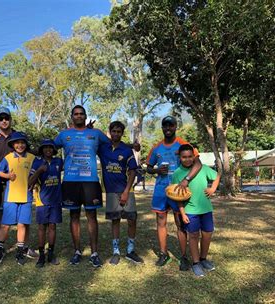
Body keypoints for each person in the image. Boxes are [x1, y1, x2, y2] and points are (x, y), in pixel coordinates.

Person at [54, 105, 111, 268]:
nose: (79, 116)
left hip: (90, 181)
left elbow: (113, 144)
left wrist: (130, 146)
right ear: (72, 116)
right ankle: (77, 252)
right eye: (76, 114)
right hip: (70, 181)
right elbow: (48, 149)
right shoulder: (64, 134)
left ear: (85, 116)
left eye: (81, 114)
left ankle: (94, 253)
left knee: (92, 216)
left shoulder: (96, 133)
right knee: (74, 217)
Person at [146, 115, 201, 268]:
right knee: (161, 222)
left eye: (171, 125)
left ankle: (183, 257)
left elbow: (198, 163)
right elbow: (149, 168)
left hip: (179, 191)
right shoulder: (156, 147)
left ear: (176, 126)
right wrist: (156, 169)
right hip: (161, 190)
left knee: (180, 223)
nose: (168, 128)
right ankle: (164, 254)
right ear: (162, 128)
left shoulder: (183, 144)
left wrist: (187, 180)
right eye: (165, 125)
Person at [0, 107, 37, 258]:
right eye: (0, 118)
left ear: (10, 119)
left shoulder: (18, 136)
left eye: (6, 118)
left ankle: (24, 247)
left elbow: (33, 158)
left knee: (24, 220)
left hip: (20, 185)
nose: (4, 121)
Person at [0, 132, 35, 266]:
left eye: (23, 142)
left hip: (26, 197)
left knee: (22, 224)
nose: (20, 145)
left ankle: (20, 251)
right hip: (10, 197)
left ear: (26, 144)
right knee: (5, 225)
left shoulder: (32, 158)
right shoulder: (8, 157)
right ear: (12, 145)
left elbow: (40, 169)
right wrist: (7, 176)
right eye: (17, 143)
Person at [98, 121, 143, 265]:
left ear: (122, 134)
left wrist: (126, 191)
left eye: (119, 132)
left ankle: (130, 251)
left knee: (132, 220)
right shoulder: (103, 148)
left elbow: (132, 171)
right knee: (115, 220)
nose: (116, 134)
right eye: (114, 131)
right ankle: (116, 252)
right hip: (111, 192)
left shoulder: (126, 150)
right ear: (110, 132)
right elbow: (92, 140)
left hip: (125, 190)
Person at [172, 144, 221, 277]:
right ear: (179, 157)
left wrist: (213, 189)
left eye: (189, 156)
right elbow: (178, 197)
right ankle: (196, 263)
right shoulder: (177, 174)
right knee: (193, 236)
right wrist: (182, 213)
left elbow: (216, 176)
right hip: (190, 210)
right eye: (184, 157)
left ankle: (203, 259)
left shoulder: (203, 169)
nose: (187, 159)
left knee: (207, 234)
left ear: (194, 156)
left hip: (206, 209)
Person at [28, 139, 64, 268]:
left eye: (50, 147)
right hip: (41, 200)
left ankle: (51, 253)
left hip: (56, 200)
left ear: (54, 149)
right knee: (42, 227)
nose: (48, 150)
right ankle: (41, 255)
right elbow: (29, 182)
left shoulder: (59, 161)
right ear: (42, 149)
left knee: (52, 226)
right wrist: (39, 171)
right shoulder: (37, 162)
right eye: (45, 147)